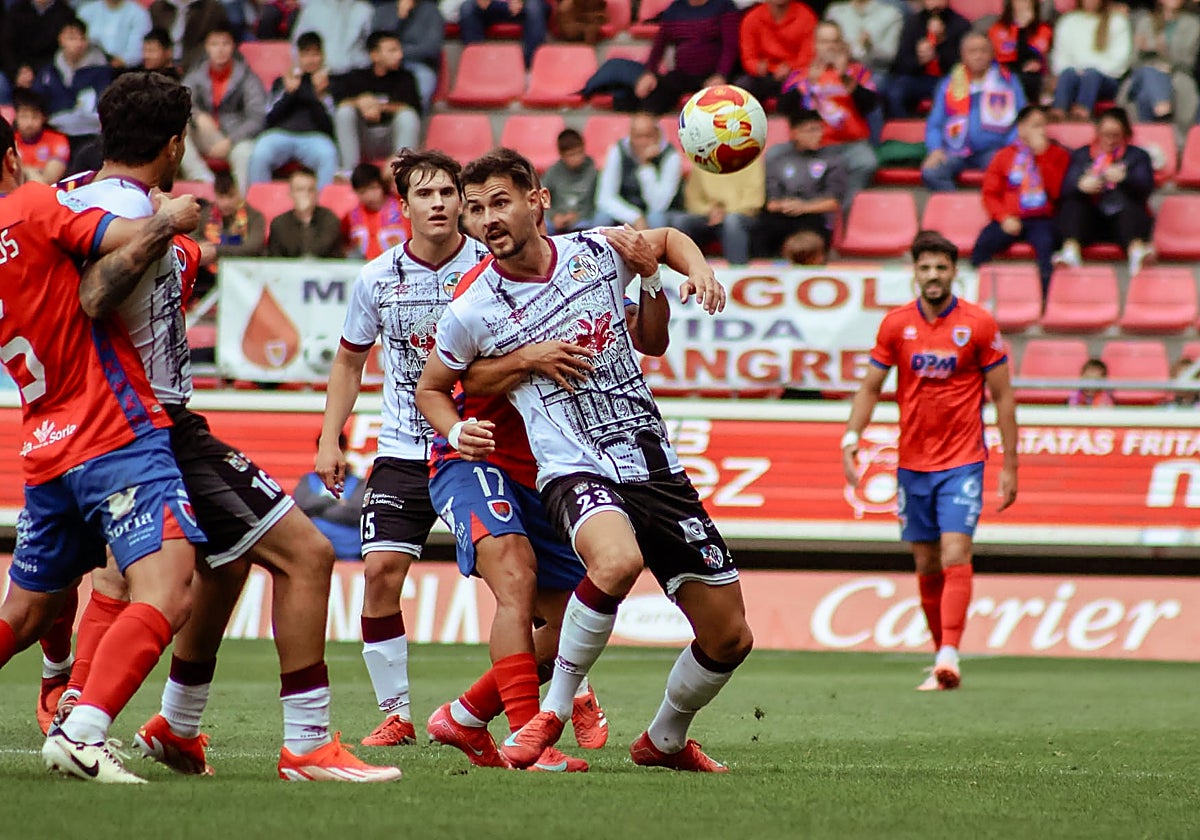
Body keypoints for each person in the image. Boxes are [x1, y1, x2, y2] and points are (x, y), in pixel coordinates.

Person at [57, 71, 401, 784]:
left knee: (220, 560)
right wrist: (166, 232)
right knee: (302, 556)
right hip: (153, 422)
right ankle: (306, 744)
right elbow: (96, 296)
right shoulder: (132, 213)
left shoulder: (74, 197)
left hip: (94, 418)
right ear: (175, 143)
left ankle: (173, 727)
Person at [421, 148, 752, 773]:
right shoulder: (473, 304)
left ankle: (665, 739)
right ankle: (554, 708)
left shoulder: (596, 252)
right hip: (572, 464)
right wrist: (459, 426)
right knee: (615, 561)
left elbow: (668, 257)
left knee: (730, 635)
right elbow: (436, 385)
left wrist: (681, 272)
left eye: (500, 202)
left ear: (537, 200)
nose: (487, 219)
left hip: (652, 464)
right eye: (475, 209)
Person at [0, 112, 206, 784]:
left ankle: (76, 708)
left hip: (43, 439)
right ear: (10, 159)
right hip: (110, 426)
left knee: (27, 612)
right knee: (171, 585)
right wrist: (173, 212)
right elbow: (123, 238)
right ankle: (85, 731)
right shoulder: (31, 205)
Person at [315, 148, 492, 747]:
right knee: (381, 572)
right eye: (426, 193)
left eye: (448, 192)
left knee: (519, 577)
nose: (439, 203)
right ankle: (397, 714)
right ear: (405, 206)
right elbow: (348, 361)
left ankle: (569, 694)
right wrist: (328, 439)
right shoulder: (377, 277)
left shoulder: (492, 267)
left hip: (478, 448)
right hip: (403, 448)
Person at [842, 230, 1019, 692]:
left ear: (954, 272)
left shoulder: (978, 323)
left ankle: (949, 653)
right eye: (926, 268)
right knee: (925, 564)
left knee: (956, 551)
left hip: (964, 460)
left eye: (942, 267)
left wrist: (1011, 465)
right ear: (915, 273)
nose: (934, 275)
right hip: (913, 463)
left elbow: (1002, 398)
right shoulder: (895, 324)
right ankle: (941, 657)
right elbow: (869, 387)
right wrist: (851, 437)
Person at [971, 105, 1070, 297]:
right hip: (1010, 217)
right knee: (984, 242)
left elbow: (1057, 191)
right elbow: (990, 194)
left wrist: (1042, 156)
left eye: (1043, 126)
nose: (1041, 131)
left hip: (1043, 218)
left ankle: (1046, 301)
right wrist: (1003, 217)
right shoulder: (1004, 156)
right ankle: (976, 295)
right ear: (1021, 128)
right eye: (1035, 126)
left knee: (1047, 246)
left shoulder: (1058, 155)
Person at [779, 20, 878, 210]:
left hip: (850, 145)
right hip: (815, 146)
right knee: (774, 156)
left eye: (835, 41)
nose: (830, 46)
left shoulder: (857, 73)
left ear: (842, 44)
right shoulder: (801, 75)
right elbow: (784, 108)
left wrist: (847, 81)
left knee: (867, 161)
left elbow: (871, 106)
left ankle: (844, 209)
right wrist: (809, 84)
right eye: (824, 41)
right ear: (815, 45)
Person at [1054, 107, 1155, 276]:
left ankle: (1137, 252)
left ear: (1125, 134)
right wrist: (1080, 185)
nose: (1109, 140)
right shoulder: (1082, 155)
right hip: (1090, 220)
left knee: (1132, 206)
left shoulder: (1138, 156)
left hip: (1122, 220)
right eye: (1105, 135)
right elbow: (1064, 188)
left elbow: (1146, 187)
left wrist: (1125, 179)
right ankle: (1070, 250)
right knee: (1073, 204)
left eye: (1115, 135)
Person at [922, 34, 1025, 193]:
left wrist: (1009, 148)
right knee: (931, 172)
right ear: (963, 55)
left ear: (992, 54)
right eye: (972, 51)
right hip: (954, 149)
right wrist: (935, 149)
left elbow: (1023, 120)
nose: (978, 56)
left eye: (983, 51)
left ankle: (992, 208)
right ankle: (957, 209)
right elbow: (935, 123)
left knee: (1011, 172)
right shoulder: (949, 83)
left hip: (995, 149)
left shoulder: (1008, 81)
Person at [247, 31, 339, 190]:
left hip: (314, 138)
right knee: (259, 153)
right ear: (298, 57)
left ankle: (324, 209)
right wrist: (289, 93)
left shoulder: (331, 83)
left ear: (322, 56)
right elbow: (269, 120)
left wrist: (317, 96)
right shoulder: (283, 81)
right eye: (306, 54)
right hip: (281, 135)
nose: (311, 60)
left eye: (315, 54)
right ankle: (258, 208)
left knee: (328, 154)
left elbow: (329, 127)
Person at [180, 25, 267, 191]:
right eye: (214, 44)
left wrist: (230, 140)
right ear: (206, 48)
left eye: (225, 44)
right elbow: (182, 103)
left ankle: (239, 203)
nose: (220, 50)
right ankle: (205, 181)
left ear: (233, 46)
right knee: (177, 131)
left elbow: (257, 118)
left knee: (245, 153)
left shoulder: (247, 76)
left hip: (236, 137)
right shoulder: (197, 74)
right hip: (207, 134)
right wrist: (198, 116)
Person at [755, 109, 846, 264]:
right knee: (761, 226)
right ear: (795, 133)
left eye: (820, 129)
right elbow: (771, 202)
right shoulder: (778, 159)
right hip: (784, 215)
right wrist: (785, 205)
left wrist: (804, 207)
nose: (818, 134)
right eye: (811, 130)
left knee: (808, 238)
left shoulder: (832, 160)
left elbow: (833, 202)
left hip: (814, 217)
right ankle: (762, 270)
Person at [331, 31, 422, 174]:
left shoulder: (406, 77)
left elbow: (413, 108)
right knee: (344, 113)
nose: (399, 55)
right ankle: (350, 171)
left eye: (399, 50)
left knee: (408, 116)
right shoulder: (356, 77)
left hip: (391, 138)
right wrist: (360, 102)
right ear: (375, 55)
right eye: (392, 51)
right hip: (364, 137)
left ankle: (404, 169)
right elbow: (339, 103)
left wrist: (378, 107)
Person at [595, 113, 699, 236]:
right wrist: (635, 217)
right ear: (630, 136)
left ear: (657, 135)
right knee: (602, 217)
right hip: (627, 210)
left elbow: (658, 205)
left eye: (648, 136)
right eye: (638, 137)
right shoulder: (617, 150)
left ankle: (655, 254)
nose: (643, 142)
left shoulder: (671, 156)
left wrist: (646, 166)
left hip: (663, 213)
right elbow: (605, 198)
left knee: (656, 218)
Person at [32, 18, 113, 170]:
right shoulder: (49, 71)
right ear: (61, 39)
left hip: (89, 134)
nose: (76, 43)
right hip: (54, 131)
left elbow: (102, 105)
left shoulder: (101, 71)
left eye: (80, 38)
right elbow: (37, 100)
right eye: (71, 38)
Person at [634, 0, 741, 115]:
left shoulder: (725, 6)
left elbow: (730, 47)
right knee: (650, 96)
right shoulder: (674, 9)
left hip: (715, 75)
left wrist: (721, 75)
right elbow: (659, 45)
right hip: (683, 74)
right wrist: (649, 72)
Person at [1119, 0, 1200, 134]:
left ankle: (1149, 133)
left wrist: (1162, 52)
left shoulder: (1193, 24)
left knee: (1144, 94)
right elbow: (1133, 61)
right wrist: (1146, 50)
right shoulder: (1145, 22)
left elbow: (1188, 60)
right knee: (1150, 72)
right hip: (1143, 71)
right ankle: (1162, 105)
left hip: (1176, 73)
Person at [1050, 0, 1132, 122]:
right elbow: (1060, 55)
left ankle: (1081, 114)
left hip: (1106, 78)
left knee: (1091, 75)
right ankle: (1058, 113)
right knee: (1067, 73)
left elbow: (1120, 59)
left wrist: (1088, 69)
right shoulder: (1069, 21)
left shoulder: (1117, 21)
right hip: (1075, 75)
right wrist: (1077, 70)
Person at [886, 0, 971, 118]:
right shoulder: (913, 23)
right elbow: (900, 63)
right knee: (895, 92)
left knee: (946, 93)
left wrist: (941, 43)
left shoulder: (961, 25)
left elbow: (962, 65)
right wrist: (919, 60)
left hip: (947, 78)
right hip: (918, 77)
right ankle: (905, 131)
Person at [295, 433, 365, 560]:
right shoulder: (307, 480)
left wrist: (315, 512)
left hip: (348, 554)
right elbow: (300, 507)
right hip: (309, 551)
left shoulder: (359, 484)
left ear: (344, 451)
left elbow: (355, 513)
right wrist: (332, 501)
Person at [683, 155, 762, 265]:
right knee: (678, 221)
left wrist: (724, 212)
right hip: (708, 215)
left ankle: (736, 272)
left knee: (732, 221)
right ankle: (683, 273)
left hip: (742, 215)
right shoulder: (702, 159)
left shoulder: (750, 158)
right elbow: (692, 200)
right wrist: (709, 210)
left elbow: (754, 202)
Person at [736, 0, 818, 105]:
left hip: (794, 74)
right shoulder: (751, 18)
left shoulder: (806, 17)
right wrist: (757, 67)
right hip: (763, 74)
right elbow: (748, 57)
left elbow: (808, 55)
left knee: (805, 87)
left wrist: (791, 67)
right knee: (742, 87)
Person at [372, 0, 445, 114]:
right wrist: (399, 18)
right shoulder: (382, 10)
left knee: (421, 84)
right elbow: (376, 42)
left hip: (418, 66)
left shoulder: (432, 11)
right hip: (385, 66)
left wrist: (397, 54)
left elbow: (432, 48)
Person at [1, 0, 77, 100]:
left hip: (48, 68)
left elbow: (60, 51)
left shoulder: (66, 13)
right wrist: (17, 71)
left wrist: (33, 71)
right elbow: (6, 46)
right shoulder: (17, 10)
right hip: (17, 67)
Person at [824, 0, 903, 92]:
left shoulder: (891, 15)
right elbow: (822, 43)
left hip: (872, 71)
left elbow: (890, 57)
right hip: (836, 67)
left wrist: (870, 47)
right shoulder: (835, 12)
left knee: (873, 84)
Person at [988, 0, 1053, 107]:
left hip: (1034, 76)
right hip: (1004, 72)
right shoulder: (997, 29)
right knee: (1013, 77)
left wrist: (1037, 63)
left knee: (1032, 77)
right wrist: (1021, 28)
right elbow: (1003, 58)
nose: (1023, 3)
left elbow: (1039, 56)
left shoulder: (1044, 29)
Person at [268, 167, 344, 257]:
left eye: (310, 190)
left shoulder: (329, 219)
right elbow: (274, 262)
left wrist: (306, 218)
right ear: (291, 194)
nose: (306, 194)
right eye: (300, 190)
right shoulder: (279, 224)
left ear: (317, 193)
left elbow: (313, 253)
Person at [342, 162, 410, 259]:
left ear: (382, 186)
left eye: (373, 188)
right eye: (362, 192)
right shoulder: (350, 217)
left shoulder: (404, 207)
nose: (369, 196)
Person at [195, 170, 266, 261]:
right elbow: (192, 241)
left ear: (239, 193)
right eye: (221, 197)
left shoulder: (255, 216)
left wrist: (216, 250)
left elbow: (253, 247)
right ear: (215, 195)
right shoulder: (204, 215)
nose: (226, 203)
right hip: (208, 268)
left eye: (230, 196)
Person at [291, 0, 373, 75]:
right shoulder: (312, 9)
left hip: (356, 74)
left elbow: (373, 46)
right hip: (319, 75)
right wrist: (296, 72)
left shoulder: (365, 10)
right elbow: (297, 45)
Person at [458, 0, 547, 69]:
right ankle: (475, 65)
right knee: (468, 8)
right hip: (493, 5)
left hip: (525, 4)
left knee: (534, 7)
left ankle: (529, 68)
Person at [148, 0, 231, 73]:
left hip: (196, 68)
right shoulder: (158, 8)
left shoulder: (212, 9)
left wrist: (187, 64)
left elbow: (222, 39)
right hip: (162, 69)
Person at [542, 128, 598, 235]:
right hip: (558, 217)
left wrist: (578, 216)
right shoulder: (553, 172)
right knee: (543, 225)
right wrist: (554, 216)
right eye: (571, 155)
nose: (576, 158)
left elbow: (595, 202)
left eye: (579, 153)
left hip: (584, 218)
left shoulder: (592, 170)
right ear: (561, 155)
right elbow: (543, 198)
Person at [12, 88, 70, 186]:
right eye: (24, 116)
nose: (29, 123)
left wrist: (25, 170)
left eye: (35, 117)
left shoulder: (58, 140)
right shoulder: (9, 140)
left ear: (43, 118)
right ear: (16, 117)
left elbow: (48, 181)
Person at [78, 0, 152, 69]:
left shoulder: (139, 14)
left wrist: (118, 63)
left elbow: (137, 50)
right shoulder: (86, 11)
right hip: (89, 67)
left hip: (125, 70)